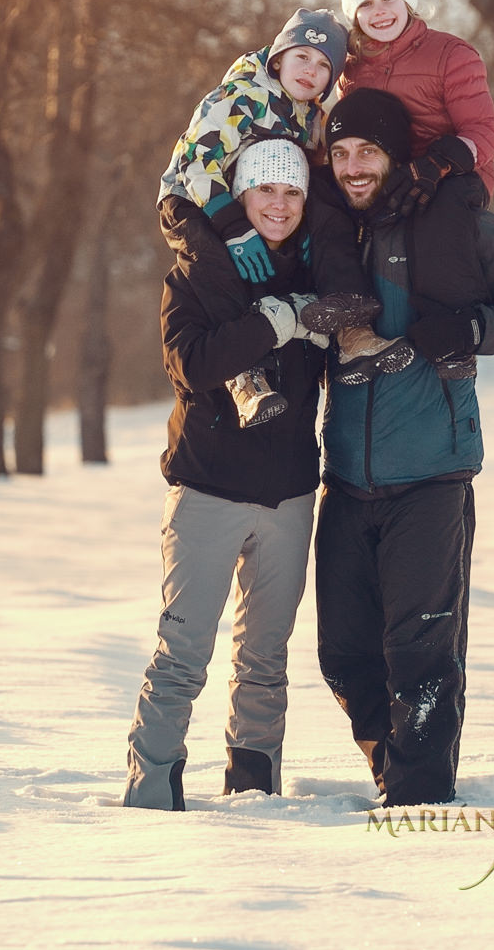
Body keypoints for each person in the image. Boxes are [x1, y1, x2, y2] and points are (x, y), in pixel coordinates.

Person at [312, 88, 494, 808]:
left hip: (432, 477)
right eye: (343, 153)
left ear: (397, 157)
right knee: (344, 655)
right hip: (346, 481)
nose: (355, 167)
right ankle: (395, 771)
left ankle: (418, 802)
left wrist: (472, 329)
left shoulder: (462, 226)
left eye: (369, 152)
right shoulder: (328, 236)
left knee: (422, 655)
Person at [124, 139, 329, 811]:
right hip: (206, 490)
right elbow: (191, 364)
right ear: (241, 197)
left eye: (292, 192)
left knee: (266, 658)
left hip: (288, 494)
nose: (279, 204)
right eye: (266, 191)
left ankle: (254, 787)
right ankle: (151, 789)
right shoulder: (196, 275)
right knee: (182, 656)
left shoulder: (316, 272)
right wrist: (277, 324)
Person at [159, 7, 411, 430]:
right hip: (194, 200)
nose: (311, 70)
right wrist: (232, 226)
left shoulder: (312, 117)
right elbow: (197, 162)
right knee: (216, 263)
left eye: (323, 66)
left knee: (326, 204)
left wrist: (318, 227)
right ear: (279, 58)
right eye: (302, 57)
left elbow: (315, 173)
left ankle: (349, 321)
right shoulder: (240, 96)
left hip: (260, 200)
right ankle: (244, 375)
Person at [336, 0, 494, 210]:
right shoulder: (352, 69)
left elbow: (483, 129)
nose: (380, 10)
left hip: (454, 178)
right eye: (366, 3)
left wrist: (437, 164)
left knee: (433, 226)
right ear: (354, 15)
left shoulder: (451, 55)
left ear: (407, 1)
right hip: (386, 179)